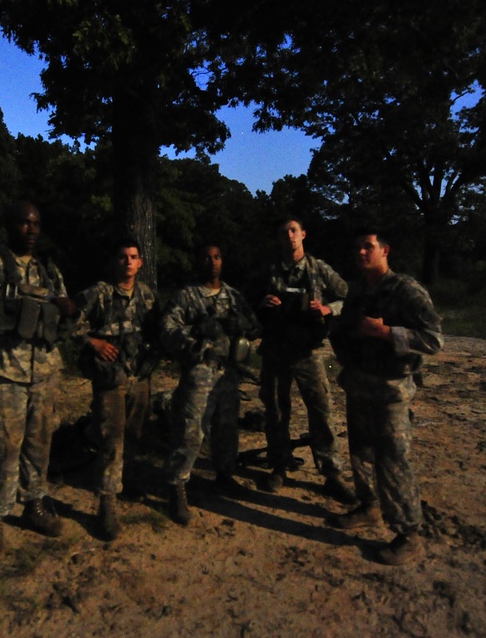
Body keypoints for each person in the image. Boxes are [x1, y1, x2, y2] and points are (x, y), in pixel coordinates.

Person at [0, 200, 77, 562]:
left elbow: (62, 322)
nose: (32, 230)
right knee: (1, 451)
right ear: (9, 226)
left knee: (40, 445)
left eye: (36, 223)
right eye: (24, 223)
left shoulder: (48, 271)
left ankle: (34, 504)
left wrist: (70, 311)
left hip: (44, 375)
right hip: (3, 375)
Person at [328, 229, 443, 566]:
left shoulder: (406, 291)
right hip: (359, 385)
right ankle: (369, 506)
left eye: (369, 247)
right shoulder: (358, 291)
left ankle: (409, 535)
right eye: (357, 247)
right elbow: (347, 328)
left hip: (391, 391)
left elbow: (434, 340)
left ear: (385, 251)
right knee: (360, 452)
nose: (362, 252)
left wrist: (386, 332)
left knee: (394, 461)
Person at [256, 217, 355, 503]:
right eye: (283, 231)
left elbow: (347, 297)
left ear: (303, 235)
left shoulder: (318, 268)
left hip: (308, 350)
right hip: (275, 348)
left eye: (293, 231)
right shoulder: (268, 270)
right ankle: (279, 465)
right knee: (275, 410)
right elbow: (249, 301)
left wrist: (327, 309)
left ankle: (331, 472)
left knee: (321, 409)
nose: (289, 236)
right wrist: (263, 303)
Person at [160, 244, 260, 525]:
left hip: (228, 372)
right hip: (200, 371)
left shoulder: (234, 296)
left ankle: (225, 476)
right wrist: (194, 334)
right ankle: (176, 486)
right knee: (191, 429)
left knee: (227, 428)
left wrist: (243, 324)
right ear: (198, 261)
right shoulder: (186, 296)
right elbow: (166, 329)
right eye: (206, 257)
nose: (212, 261)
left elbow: (254, 325)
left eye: (217, 256)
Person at [72, 239, 159, 540]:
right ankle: (106, 503)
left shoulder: (147, 295)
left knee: (135, 432)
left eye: (133, 257)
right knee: (110, 437)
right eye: (122, 257)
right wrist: (92, 342)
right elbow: (67, 320)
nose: (128, 262)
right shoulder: (99, 293)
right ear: (114, 261)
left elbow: (158, 328)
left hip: (140, 376)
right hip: (110, 377)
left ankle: (128, 481)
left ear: (141, 263)